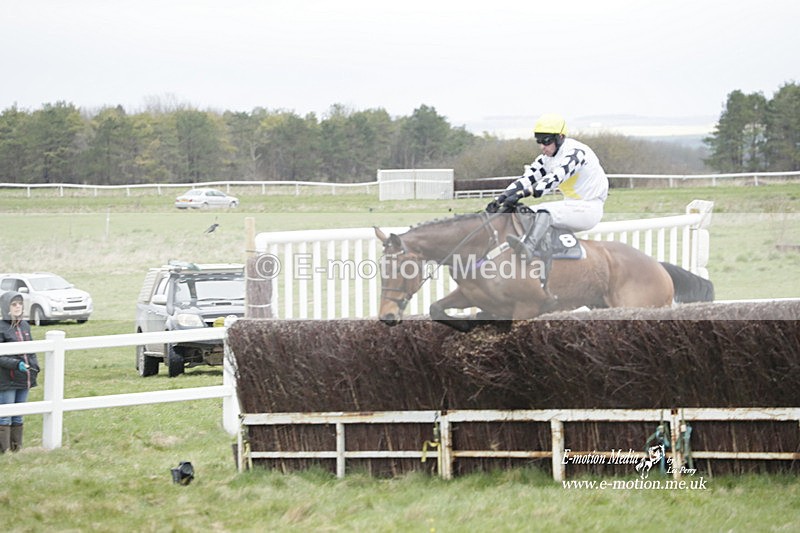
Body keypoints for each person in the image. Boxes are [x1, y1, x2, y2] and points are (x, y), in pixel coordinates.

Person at [486, 113, 609, 287]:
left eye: (546, 141)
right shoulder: (546, 158)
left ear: (560, 138)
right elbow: (527, 178)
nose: (542, 146)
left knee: (544, 211)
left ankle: (528, 248)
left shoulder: (576, 153)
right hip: (572, 206)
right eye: (539, 141)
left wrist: (521, 195)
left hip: (589, 208)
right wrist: (502, 197)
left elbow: (553, 180)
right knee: (528, 213)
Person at [0, 291, 40, 453]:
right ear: (6, 307)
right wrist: (17, 365)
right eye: (14, 304)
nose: (17, 307)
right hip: (7, 379)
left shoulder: (25, 325)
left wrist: (35, 365)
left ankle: (16, 449)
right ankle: (4, 450)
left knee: (19, 415)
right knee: (5, 415)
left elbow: (30, 350)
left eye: (19, 304)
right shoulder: (1, 328)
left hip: (24, 378)